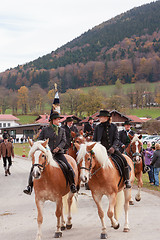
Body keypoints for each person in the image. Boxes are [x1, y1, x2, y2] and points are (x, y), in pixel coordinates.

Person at [23, 111, 77, 195]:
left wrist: (58, 148)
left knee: (68, 167)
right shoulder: (45, 130)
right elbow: (40, 140)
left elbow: (64, 141)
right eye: (57, 119)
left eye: (59, 119)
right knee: (34, 167)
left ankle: (72, 185)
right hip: (47, 154)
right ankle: (29, 186)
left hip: (58, 154)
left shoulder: (62, 130)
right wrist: (45, 148)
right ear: (52, 120)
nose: (59, 121)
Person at [93, 109, 131, 188]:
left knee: (123, 160)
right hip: (100, 151)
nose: (100, 118)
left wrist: (113, 147)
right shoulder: (97, 127)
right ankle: (89, 181)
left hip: (112, 150)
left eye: (101, 117)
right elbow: (94, 140)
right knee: (90, 161)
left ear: (106, 117)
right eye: (99, 117)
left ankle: (127, 180)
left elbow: (116, 139)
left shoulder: (113, 127)